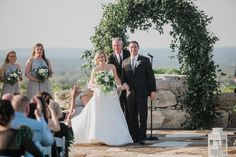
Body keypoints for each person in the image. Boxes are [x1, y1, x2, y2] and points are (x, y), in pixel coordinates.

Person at [71, 50, 133, 146]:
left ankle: (113, 136)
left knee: (112, 114)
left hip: (111, 94)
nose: (101, 59)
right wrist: (98, 86)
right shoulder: (95, 69)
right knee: (100, 115)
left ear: (105, 57)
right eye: (99, 57)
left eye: (102, 57)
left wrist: (120, 85)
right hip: (100, 94)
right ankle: (99, 137)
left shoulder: (112, 67)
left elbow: (116, 78)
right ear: (96, 59)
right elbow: (90, 83)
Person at [122, 40, 157, 145]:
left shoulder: (145, 60)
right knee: (131, 116)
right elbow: (123, 78)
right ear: (128, 49)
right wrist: (124, 84)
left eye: (135, 47)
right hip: (130, 93)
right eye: (131, 47)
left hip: (142, 92)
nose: (133, 49)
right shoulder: (125, 62)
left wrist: (153, 91)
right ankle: (134, 136)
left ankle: (142, 136)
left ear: (138, 48)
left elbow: (151, 77)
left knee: (142, 115)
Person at [108, 37, 130, 118]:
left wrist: (126, 83)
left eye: (118, 45)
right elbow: (110, 74)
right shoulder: (110, 58)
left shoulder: (128, 53)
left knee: (130, 110)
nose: (116, 47)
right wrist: (119, 84)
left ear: (122, 45)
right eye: (114, 45)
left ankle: (130, 129)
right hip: (117, 88)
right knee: (120, 109)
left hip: (129, 86)